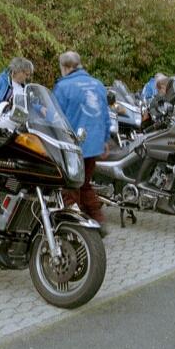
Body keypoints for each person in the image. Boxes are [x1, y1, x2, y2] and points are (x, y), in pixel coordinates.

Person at [53, 51, 111, 234]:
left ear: (65, 67)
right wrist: (105, 140)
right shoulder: (97, 84)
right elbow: (105, 116)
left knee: (70, 187)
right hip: (94, 144)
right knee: (84, 183)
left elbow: (55, 116)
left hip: (73, 146)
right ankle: (98, 220)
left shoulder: (63, 87)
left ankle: (75, 227)